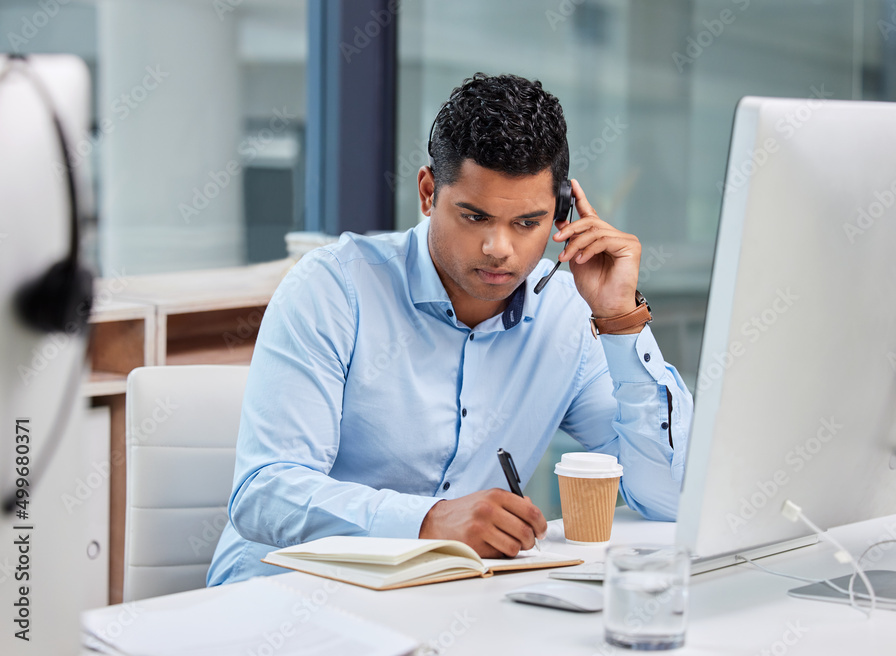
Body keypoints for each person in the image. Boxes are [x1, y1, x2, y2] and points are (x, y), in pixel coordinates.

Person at [207, 73, 692, 586]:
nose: (499, 248)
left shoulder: (567, 316)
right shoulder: (334, 288)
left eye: (527, 223)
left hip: (445, 602)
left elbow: (666, 495)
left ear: (562, 218)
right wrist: (430, 522)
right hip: (283, 595)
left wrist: (620, 320)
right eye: (475, 216)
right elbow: (265, 492)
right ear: (427, 192)